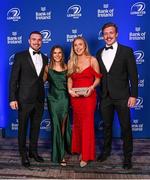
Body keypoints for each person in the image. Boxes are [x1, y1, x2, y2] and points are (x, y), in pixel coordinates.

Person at [96, 22, 138, 169]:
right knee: (106, 126)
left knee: (125, 127)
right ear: (103, 36)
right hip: (105, 97)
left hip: (122, 96)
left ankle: (127, 157)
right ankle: (106, 152)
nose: (108, 36)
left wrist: (133, 95)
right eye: (105, 33)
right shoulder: (99, 53)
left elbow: (133, 76)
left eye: (111, 33)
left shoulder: (127, 51)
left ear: (117, 34)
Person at [9, 31, 48, 167]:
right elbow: (13, 79)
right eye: (34, 39)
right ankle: (23, 154)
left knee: (36, 127)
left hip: (39, 99)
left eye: (39, 40)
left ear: (42, 41)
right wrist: (12, 98)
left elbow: (42, 78)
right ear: (29, 41)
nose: (37, 42)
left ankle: (33, 151)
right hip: (23, 99)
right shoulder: (20, 56)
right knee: (23, 128)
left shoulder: (44, 58)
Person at [67, 36, 102, 167]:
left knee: (87, 125)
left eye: (80, 44)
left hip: (88, 96)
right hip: (75, 97)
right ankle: (78, 149)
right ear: (73, 48)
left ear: (85, 45)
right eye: (75, 45)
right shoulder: (71, 61)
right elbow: (69, 80)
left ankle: (86, 156)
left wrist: (91, 88)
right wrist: (70, 90)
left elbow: (98, 79)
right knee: (77, 123)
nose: (78, 47)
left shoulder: (92, 60)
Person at [43, 45, 71, 166]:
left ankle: (62, 149)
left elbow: (72, 82)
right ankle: (60, 155)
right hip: (52, 100)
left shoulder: (67, 66)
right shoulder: (47, 68)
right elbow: (40, 82)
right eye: (55, 53)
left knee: (63, 126)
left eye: (59, 53)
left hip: (64, 99)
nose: (57, 55)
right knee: (56, 126)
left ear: (62, 54)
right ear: (51, 54)